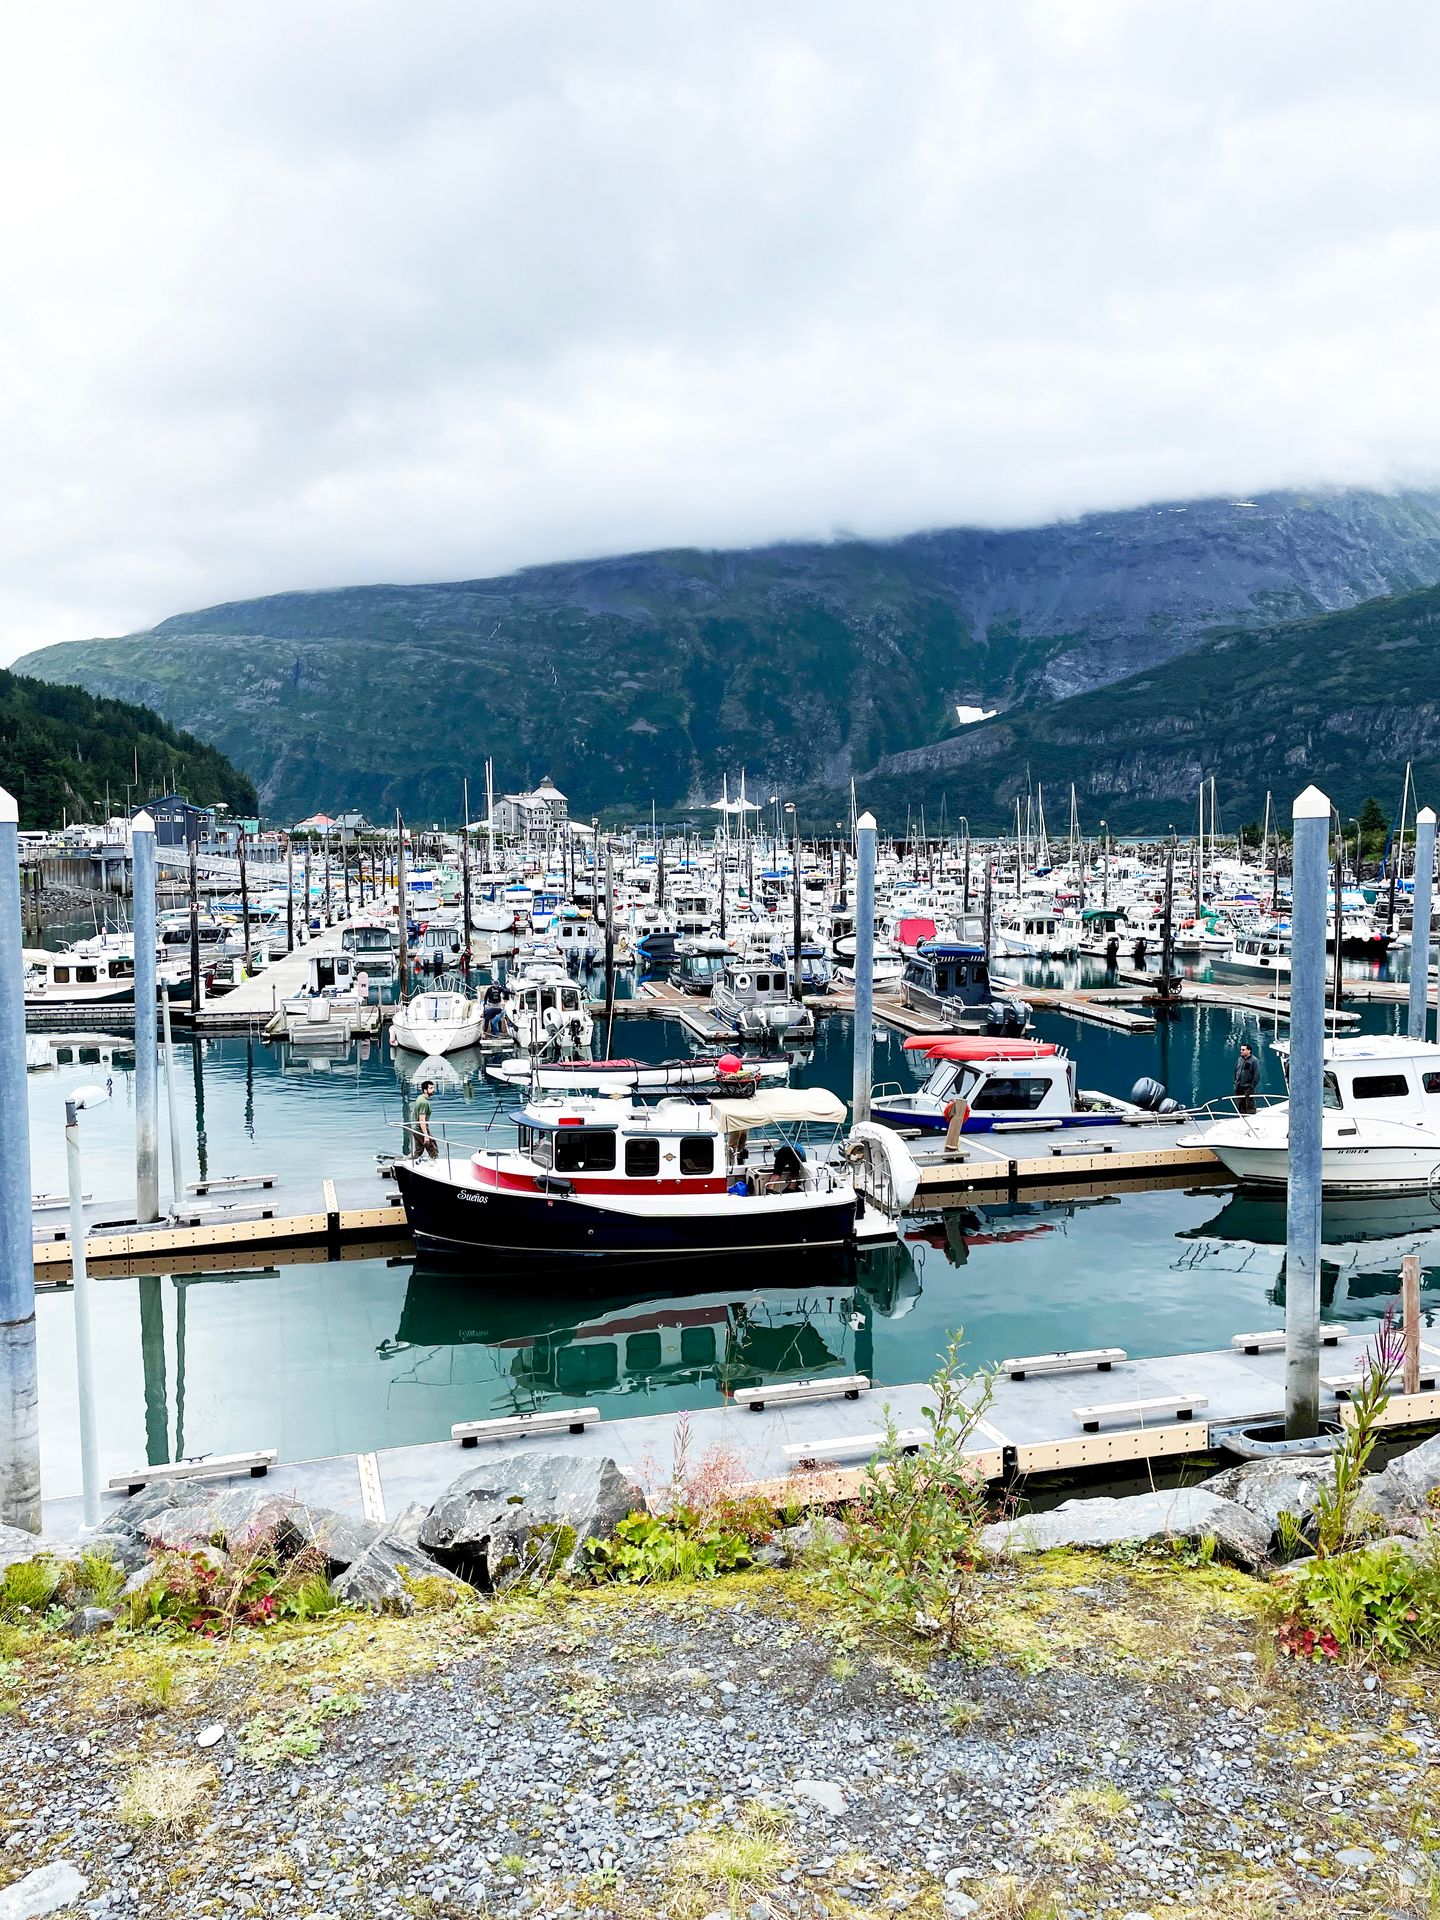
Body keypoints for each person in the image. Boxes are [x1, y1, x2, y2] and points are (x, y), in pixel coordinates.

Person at [410, 1078, 438, 1158]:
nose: (433, 1090)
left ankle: (411, 1161)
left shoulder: (420, 1098)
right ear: (425, 1090)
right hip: (419, 1128)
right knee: (432, 1147)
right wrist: (426, 1135)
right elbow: (422, 1120)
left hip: (414, 1127)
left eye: (433, 1088)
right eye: (431, 1088)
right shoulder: (424, 1102)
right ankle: (435, 1162)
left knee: (419, 1149)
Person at [1234, 1043, 1259, 1115]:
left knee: (1250, 1103)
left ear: (1249, 1051)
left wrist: (1252, 1086)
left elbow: (1257, 1074)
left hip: (1248, 1086)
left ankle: (1251, 1116)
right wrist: (1235, 1082)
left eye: (1243, 1050)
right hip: (1239, 1085)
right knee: (1240, 1103)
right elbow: (1236, 1070)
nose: (1241, 1051)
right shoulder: (1239, 1059)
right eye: (1241, 1050)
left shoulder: (1254, 1060)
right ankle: (1242, 1116)